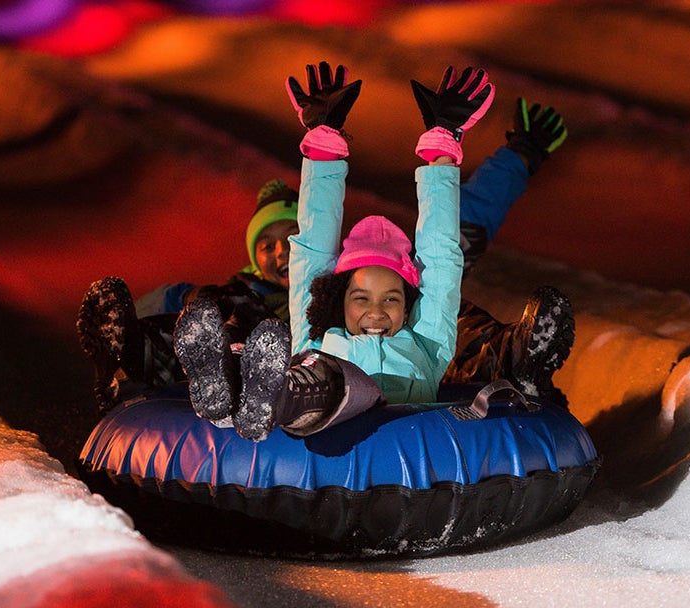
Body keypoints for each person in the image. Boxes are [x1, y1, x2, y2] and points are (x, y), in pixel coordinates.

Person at [77, 76, 571, 416]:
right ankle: (208, 380)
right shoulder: (306, 325)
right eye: (266, 244)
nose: (376, 309)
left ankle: (521, 356)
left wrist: (458, 149)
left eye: (390, 297)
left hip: (387, 383)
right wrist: (321, 145)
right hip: (298, 383)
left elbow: (447, 246)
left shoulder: (421, 333)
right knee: (239, 335)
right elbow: (309, 248)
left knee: (465, 321)